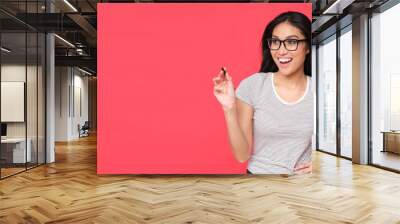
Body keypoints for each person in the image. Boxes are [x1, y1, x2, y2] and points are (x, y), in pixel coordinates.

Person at [212, 11, 313, 175]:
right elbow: (241, 155)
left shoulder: (320, 89)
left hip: (303, 189)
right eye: (275, 42)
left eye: (291, 42)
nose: (281, 51)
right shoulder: (254, 85)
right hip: (260, 184)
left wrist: (321, 166)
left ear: (307, 46)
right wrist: (229, 109)